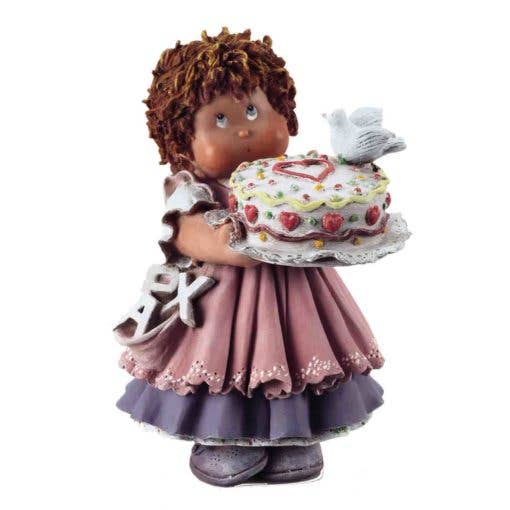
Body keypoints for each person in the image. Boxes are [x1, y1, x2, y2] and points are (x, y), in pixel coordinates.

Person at [116, 27, 384, 487]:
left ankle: (293, 433)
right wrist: (230, 242)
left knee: (299, 351)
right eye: (220, 119)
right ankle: (223, 436)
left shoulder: (294, 179)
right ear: (180, 139)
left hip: (296, 292)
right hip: (222, 298)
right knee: (225, 360)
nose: (243, 129)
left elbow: (328, 202)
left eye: (255, 111)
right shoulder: (193, 188)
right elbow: (185, 232)